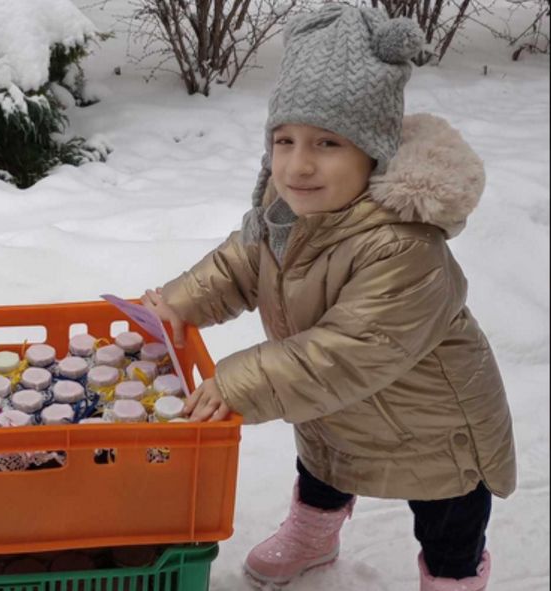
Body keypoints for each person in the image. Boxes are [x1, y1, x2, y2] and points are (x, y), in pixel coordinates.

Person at [140, 5, 516, 590]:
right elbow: (244, 260)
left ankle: (454, 578)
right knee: (322, 464)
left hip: (433, 426)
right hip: (332, 403)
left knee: (447, 520)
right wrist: (180, 302)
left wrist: (237, 383)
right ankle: (315, 533)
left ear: (374, 152)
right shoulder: (289, 213)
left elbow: (349, 351)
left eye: (328, 142)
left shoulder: (403, 246)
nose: (298, 164)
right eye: (284, 140)